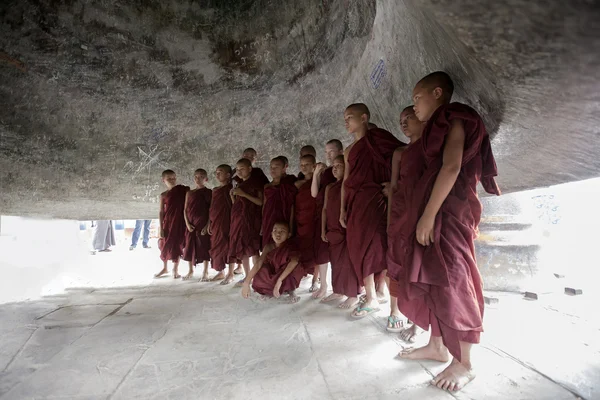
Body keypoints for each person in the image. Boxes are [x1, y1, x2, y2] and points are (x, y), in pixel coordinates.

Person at [396, 71, 500, 392]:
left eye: (417, 98)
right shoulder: (432, 129)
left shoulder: (456, 118)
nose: (414, 108)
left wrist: (427, 216)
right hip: (436, 211)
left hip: (451, 212)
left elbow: (452, 167)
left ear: (437, 93)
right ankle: (437, 345)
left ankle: (465, 362)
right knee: (434, 276)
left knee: (454, 277)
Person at [340, 103, 404, 318]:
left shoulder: (379, 138)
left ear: (364, 117)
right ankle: (371, 296)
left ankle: (376, 294)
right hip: (356, 204)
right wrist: (342, 209)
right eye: (345, 118)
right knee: (358, 247)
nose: (346, 121)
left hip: (377, 201)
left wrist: (393, 185)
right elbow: (346, 181)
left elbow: (404, 155)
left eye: (350, 117)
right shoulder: (349, 150)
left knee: (378, 246)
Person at [385, 106, 425, 336]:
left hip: (421, 215)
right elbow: (393, 187)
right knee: (396, 263)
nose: (404, 123)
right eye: (401, 120)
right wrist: (391, 219)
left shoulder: (431, 147)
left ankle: (418, 321)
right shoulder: (400, 153)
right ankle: (395, 312)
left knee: (418, 267)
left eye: (409, 117)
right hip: (400, 216)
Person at [320, 155, 361, 308]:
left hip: (345, 229)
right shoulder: (330, 187)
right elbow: (324, 209)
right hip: (332, 229)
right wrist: (322, 230)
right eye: (334, 165)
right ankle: (338, 290)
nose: (335, 168)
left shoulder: (350, 185)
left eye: (339, 165)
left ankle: (352, 294)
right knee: (336, 262)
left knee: (348, 262)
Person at [310, 139, 344, 298]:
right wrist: (317, 173)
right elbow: (315, 194)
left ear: (340, 151)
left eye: (331, 151)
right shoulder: (326, 172)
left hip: (337, 214)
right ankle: (324, 285)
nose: (328, 155)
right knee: (322, 251)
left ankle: (342, 288)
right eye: (326, 152)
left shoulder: (343, 169)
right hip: (322, 213)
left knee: (340, 253)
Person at [241, 222, 303, 303]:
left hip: (285, 275)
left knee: (295, 268)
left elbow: (294, 262)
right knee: (260, 271)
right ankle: (272, 289)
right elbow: (259, 263)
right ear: (271, 234)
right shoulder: (268, 247)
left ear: (289, 235)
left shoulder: (291, 247)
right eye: (275, 231)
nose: (278, 234)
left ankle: (291, 290)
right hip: (275, 273)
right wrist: (246, 282)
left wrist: (279, 280)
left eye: (282, 231)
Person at [229, 158, 264, 286]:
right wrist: (233, 197)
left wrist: (243, 194)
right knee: (241, 249)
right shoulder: (239, 185)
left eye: (242, 168)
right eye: (237, 169)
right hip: (238, 221)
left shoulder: (255, 183)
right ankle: (248, 276)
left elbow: (260, 202)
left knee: (253, 250)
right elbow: (238, 205)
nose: (239, 171)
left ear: (250, 168)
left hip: (252, 220)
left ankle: (258, 277)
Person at [154, 170, 189, 279]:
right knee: (164, 244)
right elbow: (161, 212)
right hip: (168, 222)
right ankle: (165, 267)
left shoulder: (183, 190)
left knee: (177, 244)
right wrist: (160, 227)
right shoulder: (164, 195)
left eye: (174, 177)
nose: (172, 180)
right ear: (163, 180)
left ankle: (175, 269)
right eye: (169, 178)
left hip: (180, 221)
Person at [294, 154, 320, 292]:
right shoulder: (298, 184)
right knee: (302, 250)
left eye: (307, 164)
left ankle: (315, 280)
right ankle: (302, 275)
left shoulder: (320, 181)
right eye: (302, 164)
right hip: (301, 220)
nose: (304, 167)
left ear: (314, 165)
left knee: (315, 250)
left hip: (314, 220)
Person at [208, 165, 236, 285]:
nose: (217, 174)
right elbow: (212, 208)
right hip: (216, 222)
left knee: (228, 246)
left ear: (228, 175)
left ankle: (230, 273)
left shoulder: (232, 189)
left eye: (221, 172)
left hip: (228, 221)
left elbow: (235, 206)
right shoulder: (215, 190)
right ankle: (221, 271)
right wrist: (209, 222)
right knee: (217, 246)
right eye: (216, 172)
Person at [182, 169, 212, 281]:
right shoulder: (189, 193)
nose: (198, 179)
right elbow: (185, 210)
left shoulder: (208, 192)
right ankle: (190, 270)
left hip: (202, 223)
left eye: (201, 177)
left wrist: (207, 226)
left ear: (206, 179)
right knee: (189, 246)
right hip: (191, 224)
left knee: (204, 246)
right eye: (196, 176)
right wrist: (187, 224)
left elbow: (211, 210)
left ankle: (205, 272)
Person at [262, 157, 298, 249]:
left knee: (284, 248)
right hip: (269, 221)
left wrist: (290, 225)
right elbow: (265, 206)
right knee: (268, 248)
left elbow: (292, 206)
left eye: (276, 167)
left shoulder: (290, 183)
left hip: (284, 219)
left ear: (284, 168)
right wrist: (263, 225)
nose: (273, 170)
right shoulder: (267, 186)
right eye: (271, 167)